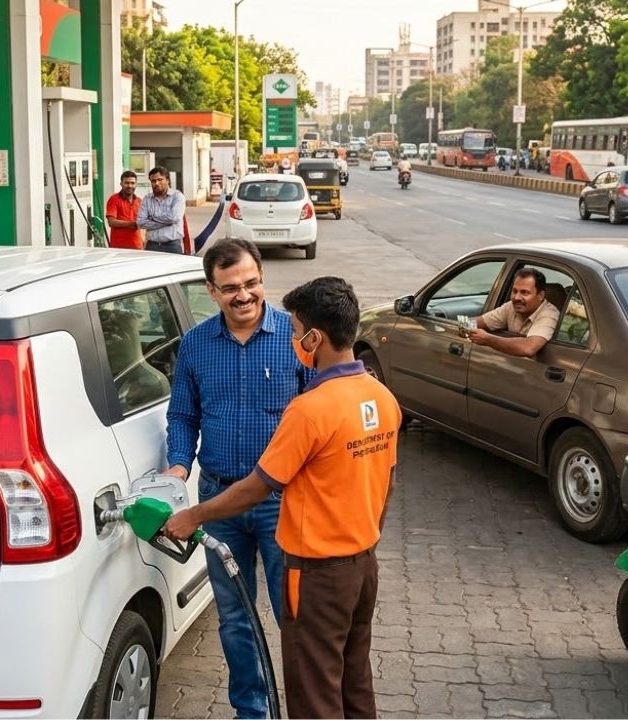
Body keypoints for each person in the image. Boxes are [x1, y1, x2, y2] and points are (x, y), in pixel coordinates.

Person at [166, 276, 401, 719]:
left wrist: (194, 516)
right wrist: (363, 539)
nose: (294, 340)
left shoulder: (311, 409)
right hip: (362, 566)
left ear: (315, 338)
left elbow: (259, 487)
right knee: (354, 682)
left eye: (296, 332)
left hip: (315, 574)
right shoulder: (381, 397)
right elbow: (386, 483)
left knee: (314, 695)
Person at [164, 238, 314, 719]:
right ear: (211, 290)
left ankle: (305, 709)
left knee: (294, 616)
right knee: (235, 619)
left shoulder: (297, 339)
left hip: (281, 503)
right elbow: (182, 415)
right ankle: (253, 712)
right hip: (218, 501)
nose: (243, 295)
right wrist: (178, 464)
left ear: (263, 279)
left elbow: (319, 415)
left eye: (251, 283)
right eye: (230, 288)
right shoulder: (194, 345)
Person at [465, 267, 560, 360]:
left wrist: (488, 339)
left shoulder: (549, 314)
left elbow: (528, 348)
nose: (517, 297)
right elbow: (478, 322)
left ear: (540, 295)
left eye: (525, 293)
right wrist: (462, 325)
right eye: (514, 291)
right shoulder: (510, 307)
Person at [137, 165, 186, 254]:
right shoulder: (147, 199)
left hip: (172, 245)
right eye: (153, 181)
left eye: (160, 180)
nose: (156, 183)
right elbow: (140, 222)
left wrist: (152, 218)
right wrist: (167, 222)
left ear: (167, 180)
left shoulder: (177, 196)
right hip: (152, 246)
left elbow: (174, 218)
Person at [104, 170, 144, 250]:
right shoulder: (114, 199)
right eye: (127, 183)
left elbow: (143, 223)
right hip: (118, 248)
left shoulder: (139, 201)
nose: (130, 185)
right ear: (121, 184)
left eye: (132, 183)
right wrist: (130, 224)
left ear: (136, 185)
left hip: (137, 246)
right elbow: (111, 222)